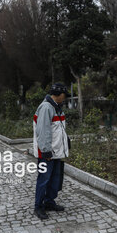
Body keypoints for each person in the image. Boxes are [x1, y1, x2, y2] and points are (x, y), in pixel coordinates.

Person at [33, 83, 70, 220]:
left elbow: (57, 129)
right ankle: (38, 206)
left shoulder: (56, 107)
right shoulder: (46, 107)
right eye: (64, 95)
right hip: (47, 153)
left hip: (56, 151)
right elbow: (43, 130)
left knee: (54, 179)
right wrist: (46, 151)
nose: (65, 98)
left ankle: (49, 202)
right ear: (59, 94)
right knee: (44, 179)